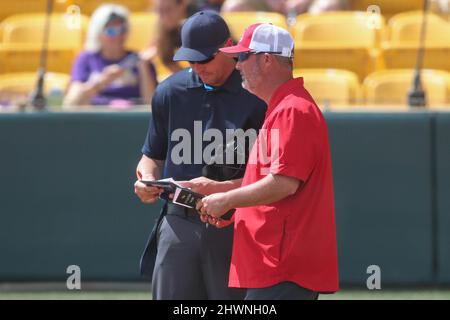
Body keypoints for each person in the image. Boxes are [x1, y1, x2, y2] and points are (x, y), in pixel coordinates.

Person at [195, 23, 339, 300]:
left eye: (243, 57)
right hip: (275, 262)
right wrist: (219, 190)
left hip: (284, 264)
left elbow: (284, 184)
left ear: (267, 59)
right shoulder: (284, 107)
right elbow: (271, 180)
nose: (237, 66)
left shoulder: (293, 109)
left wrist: (228, 200)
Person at [134, 11, 267, 300]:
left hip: (235, 222)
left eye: (205, 58)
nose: (197, 67)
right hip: (178, 219)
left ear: (229, 47)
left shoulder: (257, 95)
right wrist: (146, 178)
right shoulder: (170, 91)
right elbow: (152, 156)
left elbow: (271, 174)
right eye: (191, 59)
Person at [63, 4, 158, 108]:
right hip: (97, 119)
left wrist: (143, 66)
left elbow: (151, 106)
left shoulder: (140, 60)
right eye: (111, 31)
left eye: (123, 30)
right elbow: (72, 102)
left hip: (131, 119)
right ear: (98, 33)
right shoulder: (86, 59)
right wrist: (102, 82)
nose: (118, 36)